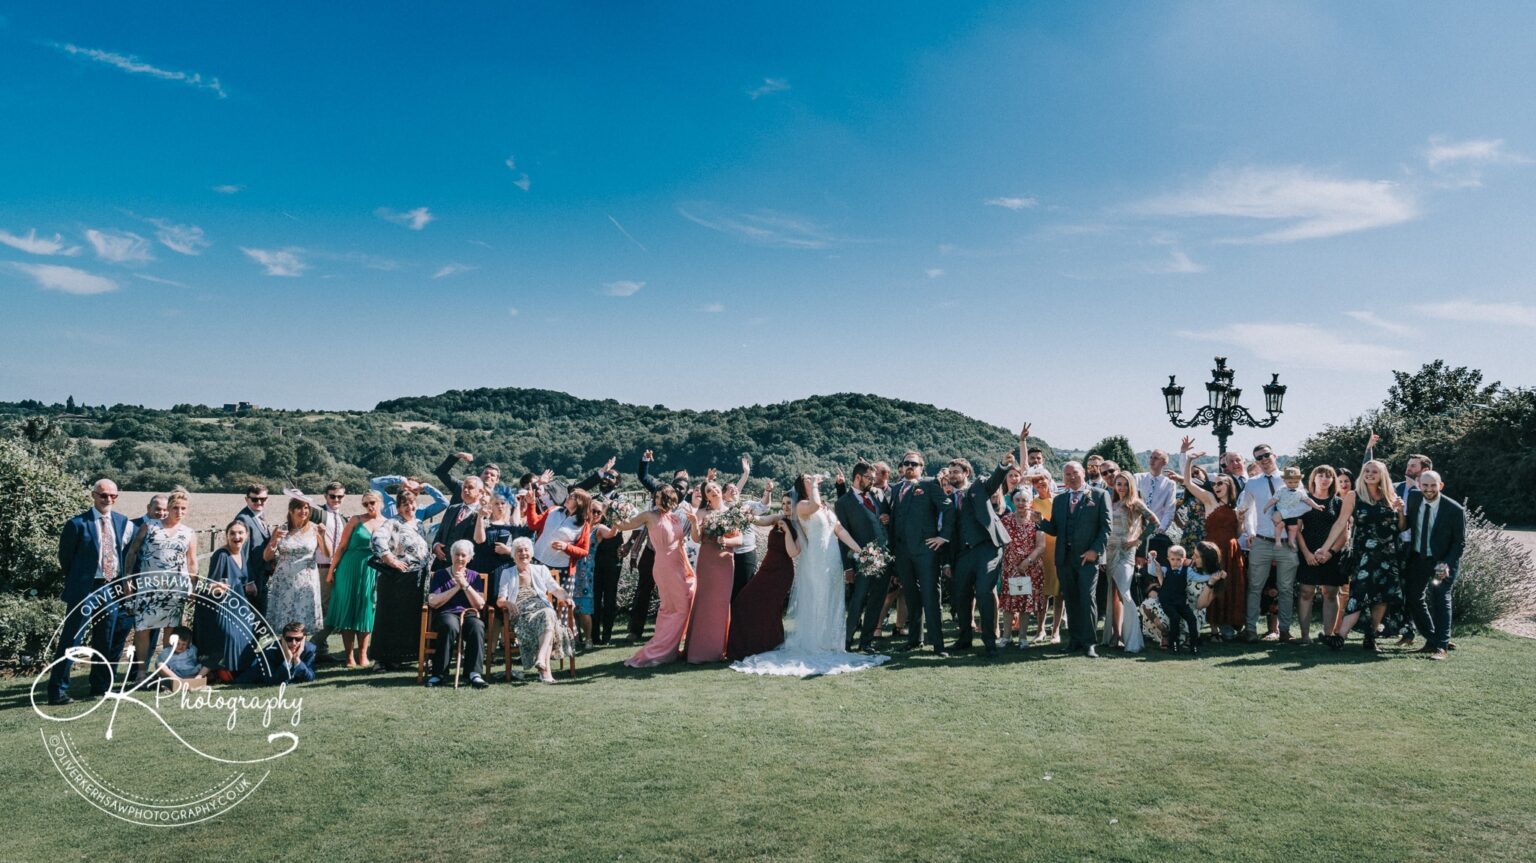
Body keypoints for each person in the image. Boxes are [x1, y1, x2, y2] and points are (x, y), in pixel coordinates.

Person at [731, 474, 888, 677]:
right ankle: (816, 643)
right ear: (802, 485)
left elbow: (839, 530)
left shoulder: (824, 507)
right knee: (819, 599)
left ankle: (830, 642)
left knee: (832, 598)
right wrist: (743, 513)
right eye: (807, 478)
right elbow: (812, 505)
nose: (813, 479)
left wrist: (860, 551)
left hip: (832, 560)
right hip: (815, 560)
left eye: (812, 479)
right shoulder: (803, 506)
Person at [47, 478, 136, 705]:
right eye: (103, 495)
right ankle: (57, 691)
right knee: (72, 639)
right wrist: (80, 581)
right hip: (85, 589)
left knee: (105, 639)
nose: (108, 499)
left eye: (113, 496)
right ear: (93, 495)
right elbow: (65, 560)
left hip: (110, 588)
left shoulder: (121, 521)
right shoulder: (77, 524)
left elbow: (126, 554)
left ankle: (100, 688)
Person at [1322, 459, 1404, 651]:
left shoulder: (1390, 496)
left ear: (1382, 475)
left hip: (1388, 554)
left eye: (1374, 471)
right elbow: (1341, 523)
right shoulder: (1354, 495)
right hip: (1365, 554)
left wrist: (1401, 511)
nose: (1369, 474)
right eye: (1366, 470)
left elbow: (1401, 527)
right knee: (1359, 593)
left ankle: (1371, 637)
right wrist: (1326, 547)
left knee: (1382, 596)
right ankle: (1340, 637)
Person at [951, 441, 1024, 658]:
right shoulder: (946, 496)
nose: (952, 474)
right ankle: (964, 639)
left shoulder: (979, 486)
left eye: (956, 471)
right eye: (950, 471)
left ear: (966, 473)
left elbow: (994, 482)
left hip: (987, 549)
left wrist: (1002, 465)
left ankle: (990, 642)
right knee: (961, 595)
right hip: (963, 552)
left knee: (984, 592)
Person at [1033, 461, 1111, 658]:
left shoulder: (1100, 495)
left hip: (1087, 558)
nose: (1071, 477)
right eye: (1067, 474)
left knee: (1087, 599)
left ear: (1083, 473)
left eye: (1074, 473)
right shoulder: (1059, 500)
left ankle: (1090, 642)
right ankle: (1074, 641)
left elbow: (1106, 528)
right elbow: (1056, 529)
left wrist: (1095, 551)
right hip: (1064, 559)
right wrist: (1040, 522)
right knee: (1071, 599)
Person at [614, 485, 696, 668]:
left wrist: (688, 567)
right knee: (678, 608)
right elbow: (623, 525)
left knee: (673, 608)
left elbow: (681, 543)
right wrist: (612, 511)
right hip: (664, 565)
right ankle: (660, 651)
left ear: (671, 498)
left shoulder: (675, 517)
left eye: (662, 497)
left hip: (680, 563)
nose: (658, 500)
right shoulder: (649, 516)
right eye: (656, 496)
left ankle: (669, 649)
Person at [888, 450, 956, 655]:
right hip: (903, 552)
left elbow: (948, 508)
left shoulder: (928, 484)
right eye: (906, 463)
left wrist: (943, 536)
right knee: (911, 597)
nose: (909, 466)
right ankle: (914, 640)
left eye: (914, 464)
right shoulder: (896, 488)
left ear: (921, 467)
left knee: (930, 597)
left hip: (926, 551)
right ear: (901, 467)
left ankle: (937, 644)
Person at [125, 488, 197, 680]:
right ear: (169, 507)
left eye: (183, 509)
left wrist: (193, 586)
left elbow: (191, 562)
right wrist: (128, 578)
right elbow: (132, 552)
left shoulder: (188, 533)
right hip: (148, 586)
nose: (179, 512)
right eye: (175, 508)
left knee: (171, 628)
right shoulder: (149, 527)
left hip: (175, 588)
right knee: (142, 628)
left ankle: (165, 669)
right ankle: (141, 671)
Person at [1177, 443, 1247, 641]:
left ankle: (1229, 626)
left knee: (1232, 586)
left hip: (1233, 550)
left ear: (1229, 486)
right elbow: (1189, 484)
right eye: (1214, 484)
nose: (1215, 487)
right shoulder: (1209, 500)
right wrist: (1190, 460)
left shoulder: (1235, 507)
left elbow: (1238, 532)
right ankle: (1214, 630)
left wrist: (1240, 523)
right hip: (1213, 550)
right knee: (1214, 585)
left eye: (1220, 484)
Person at [1236, 443, 1300, 643]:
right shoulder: (1253, 483)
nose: (1263, 460)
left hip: (1286, 542)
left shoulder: (1290, 478)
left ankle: (1285, 631)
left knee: (1286, 588)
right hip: (1262, 542)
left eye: (1266, 455)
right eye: (1258, 458)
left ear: (1275, 455)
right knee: (1255, 587)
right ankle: (1251, 630)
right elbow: (1244, 508)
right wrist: (1251, 531)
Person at [629, 448, 693, 641]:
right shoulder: (659, 501)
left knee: (673, 595)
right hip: (651, 553)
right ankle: (634, 630)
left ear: (688, 491)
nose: (678, 489)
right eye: (675, 486)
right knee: (643, 590)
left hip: (674, 558)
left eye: (683, 487)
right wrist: (645, 461)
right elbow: (644, 477)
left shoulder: (689, 510)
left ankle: (671, 631)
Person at [727, 498, 801, 660]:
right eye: (783, 503)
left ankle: (771, 643)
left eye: (790, 503)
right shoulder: (777, 518)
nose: (786, 506)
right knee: (743, 601)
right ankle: (747, 644)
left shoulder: (800, 525)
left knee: (771, 609)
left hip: (782, 573)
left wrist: (788, 531)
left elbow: (792, 553)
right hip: (766, 569)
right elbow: (760, 520)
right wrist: (747, 515)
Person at [369, 488, 433, 670]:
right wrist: (390, 559)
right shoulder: (392, 522)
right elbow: (377, 538)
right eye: (405, 505)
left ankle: (405, 656)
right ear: (398, 508)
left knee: (411, 619)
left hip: (416, 579)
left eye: (412, 504)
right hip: (395, 578)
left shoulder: (419, 524)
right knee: (389, 618)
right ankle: (382, 660)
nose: (409, 507)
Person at [495, 537, 575, 683]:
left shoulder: (540, 569)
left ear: (531, 553)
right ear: (513, 554)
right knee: (549, 619)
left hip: (541, 607)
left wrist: (567, 598)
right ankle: (545, 672)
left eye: (526, 550)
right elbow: (499, 600)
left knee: (548, 614)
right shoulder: (507, 573)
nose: (523, 553)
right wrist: (507, 603)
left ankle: (541, 661)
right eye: (519, 551)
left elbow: (555, 589)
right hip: (520, 612)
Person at [1403, 470, 1464, 660]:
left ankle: (1441, 647)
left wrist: (1446, 564)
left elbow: (1459, 542)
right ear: (1419, 485)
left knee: (1441, 597)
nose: (1429, 489)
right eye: (1425, 485)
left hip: (1442, 562)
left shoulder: (1454, 510)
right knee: (1413, 596)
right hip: (1419, 558)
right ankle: (1432, 639)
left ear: (1441, 486)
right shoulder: (1413, 498)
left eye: (1433, 485)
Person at [684, 481, 746, 663]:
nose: (713, 491)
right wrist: (695, 523)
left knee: (721, 603)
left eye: (715, 487)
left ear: (720, 489)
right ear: (706, 497)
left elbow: (740, 539)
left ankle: (719, 648)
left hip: (726, 560)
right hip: (707, 560)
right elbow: (696, 538)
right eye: (708, 491)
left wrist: (724, 541)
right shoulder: (702, 513)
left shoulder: (733, 512)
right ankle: (700, 650)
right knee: (705, 601)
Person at [325, 490, 386, 668]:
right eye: (366, 504)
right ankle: (349, 656)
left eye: (372, 502)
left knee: (367, 610)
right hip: (349, 568)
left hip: (372, 570)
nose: (369, 506)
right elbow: (342, 547)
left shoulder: (388, 523)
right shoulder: (355, 520)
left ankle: (363, 654)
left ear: (381, 502)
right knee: (348, 610)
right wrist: (331, 571)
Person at [834, 461, 890, 652]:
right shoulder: (843, 503)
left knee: (877, 599)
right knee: (858, 600)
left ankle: (866, 642)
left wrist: (886, 518)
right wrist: (848, 567)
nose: (873, 482)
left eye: (874, 479)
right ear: (858, 477)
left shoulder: (876, 496)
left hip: (883, 557)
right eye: (869, 478)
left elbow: (884, 519)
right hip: (861, 560)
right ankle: (847, 640)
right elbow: (842, 536)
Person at [424, 540, 489, 688]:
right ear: (451, 556)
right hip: (446, 613)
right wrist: (455, 587)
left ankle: (474, 674)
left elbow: (479, 604)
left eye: (463, 555)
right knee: (449, 625)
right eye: (457, 554)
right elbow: (433, 601)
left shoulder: (475, 576)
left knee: (477, 626)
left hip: (469, 614)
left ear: (470, 558)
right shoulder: (440, 575)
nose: (460, 558)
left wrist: (465, 585)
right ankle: (439, 674)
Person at [193, 519, 255, 675]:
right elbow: (211, 585)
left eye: (240, 533)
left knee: (248, 631)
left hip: (239, 605)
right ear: (226, 536)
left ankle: (238, 669)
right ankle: (224, 670)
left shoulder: (243, 554)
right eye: (232, 533)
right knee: (231, 635)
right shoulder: (221, 555)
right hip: (221, 606)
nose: (237, 536)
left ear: (246, 535)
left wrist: (249, 586)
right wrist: (217, 588)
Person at [1143, 543, 1227, 656]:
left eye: (1196, 556)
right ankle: (1166, 634)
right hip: (1175, 603)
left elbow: (1200, 605)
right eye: (1193, 554)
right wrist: (1152, 560)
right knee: (1149, 605)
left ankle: (1189, 640)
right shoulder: (1186, 565)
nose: (1192, 557)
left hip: (1193, 610)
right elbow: (1169, 565)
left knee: (1188, 620)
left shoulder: (1214, 579)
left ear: (1206, 559)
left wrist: (1211, 582)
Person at [264, 496, 330, 638]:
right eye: (299, 507)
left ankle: (300, 655)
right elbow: (267, 556)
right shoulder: (282, 528)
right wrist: (275, 540)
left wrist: (322, 536)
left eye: (306, 507)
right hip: (284, 580)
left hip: (306, 580)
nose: (303, 511)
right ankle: (284, 654)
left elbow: (326, 553)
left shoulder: (314, 528)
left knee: (302, 618)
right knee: (285, 618)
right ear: (291, 510)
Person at [1295, 466, 1346, 645]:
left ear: (1333, 481)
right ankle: (1305, 636)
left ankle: (1328, 634)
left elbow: (1344, 534)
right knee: (1306, 592)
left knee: (1331, 592)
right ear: (1313, 479)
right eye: (1320, 475)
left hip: (1331, 554)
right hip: (1308, 551)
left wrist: (1330, 553)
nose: (1324, 479)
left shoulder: (1338, 503)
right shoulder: (1303, 500)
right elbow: (1297, 530)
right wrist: (1307, 553)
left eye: (1328, 476)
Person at [1102, 474, 1150, 652]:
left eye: (1124, 484)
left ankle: (1133, 639)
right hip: (1109, 552)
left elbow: (1154, 522)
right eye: (1118, 484)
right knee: (1113, 594)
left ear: (1131, 486)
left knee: (1125, 594)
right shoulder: (1111, 503)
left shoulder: (1135, 503)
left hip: (1125, 553)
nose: (1121, 487)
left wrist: (1137, 540)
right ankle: (1117, 634)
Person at [999, 488, 1045, 649]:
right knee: (1009, 604)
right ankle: (1006, 637)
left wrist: (1027, 562)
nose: (1020, 503)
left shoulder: (1037, 519)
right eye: (1017, 500)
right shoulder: (1006, 520)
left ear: (1030, 502)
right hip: (1010, 567)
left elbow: (1041, 546)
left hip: (1030, 568)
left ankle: (1023, 638)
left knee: (1026, 603)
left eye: (1024, 500)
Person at [309, 481, 347, 664]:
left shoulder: (344, 518)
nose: (336, 499)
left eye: (340, 496)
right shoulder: (319, 513)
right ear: (325, 496)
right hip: (322, 567)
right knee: (327, 611)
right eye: (333, 496)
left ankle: (320, 650)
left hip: (340, 568)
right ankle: (310, 648)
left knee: (330, 610)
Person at [1023, 469, 1062, 644]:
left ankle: (1056, 631)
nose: (1039, 484)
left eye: (1042, 479)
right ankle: (1040, 630)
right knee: (1042, 593)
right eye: (1035, 481)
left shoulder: (1060, 500)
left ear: (1049, 479)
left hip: (1059, 549)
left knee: (1059, 593)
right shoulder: (1032, 503)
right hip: (1041, 551)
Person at [1135, 448, 1178, 572]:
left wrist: (1161, 529)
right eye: (1151, 457)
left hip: (1154, 531)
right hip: (1136, 528)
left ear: (1164, 462)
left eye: (1156, 458)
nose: (1152, 460)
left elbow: (1170, 509)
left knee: (1151, 566)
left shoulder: (1169, 484)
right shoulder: (1138, 478)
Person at [233, 484, 273, 614]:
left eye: (263, 499)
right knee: (253, 617)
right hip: (252, 578)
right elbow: (241, 553)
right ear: (246, 499)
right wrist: (248, 581)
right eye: (255, 499)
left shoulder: (259, 515)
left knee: (260, 615)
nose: (259, 502)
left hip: (262, 574)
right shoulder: (243, 519)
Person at [237, 621, 317, 685]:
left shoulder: (310, 649)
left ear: (304, 638)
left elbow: (310, 678)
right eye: (289, 639)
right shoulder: (270, 650)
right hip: (247, 674)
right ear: (283, 639)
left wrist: (297, 659)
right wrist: (288, 659)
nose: (293, 643)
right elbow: (272, 681)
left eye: (298, 639)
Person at [1266, 466, 1326, 548]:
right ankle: (1278, 541)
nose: (1293, 485)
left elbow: (1307, 500)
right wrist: (1267, 506)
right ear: (1284, 481)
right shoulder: (1281, 490)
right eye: (1290, 482)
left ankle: (1291, 541)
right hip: (1282, 511)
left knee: (1294, 527)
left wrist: (1316, 506)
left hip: (1293, 513)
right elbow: (1274, 500)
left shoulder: (1300, 492)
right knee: (1279, 525)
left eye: (1296, 482)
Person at [434, 450, 515, 505]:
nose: (488, 476)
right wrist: (459, 455)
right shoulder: (461, 487)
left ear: (497, 480)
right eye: (486, 473)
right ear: (480, 476)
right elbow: (440, 472)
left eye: (492, 475)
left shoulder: (498, 500)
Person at [151, 626, 209, 690]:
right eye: (177, 643)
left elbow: (199, 659)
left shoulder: (192, 650)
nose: (180, 646)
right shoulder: (167, 652)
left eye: (184, 644)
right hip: (175, 674)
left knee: (208, 663)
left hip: (191, 673)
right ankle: (179, 681)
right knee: (160, 665)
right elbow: (158, 664)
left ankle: (197, 680)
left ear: (188, 644)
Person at [369, 474, 448, 520]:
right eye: (406, 488)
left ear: (417, 494)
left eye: (414, 490)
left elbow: (444, 503)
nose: (408, 492)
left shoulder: (421, 510)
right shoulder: (387, 503)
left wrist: (426, 487)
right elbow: (374, 483)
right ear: (401, 489)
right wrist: (399, 479)